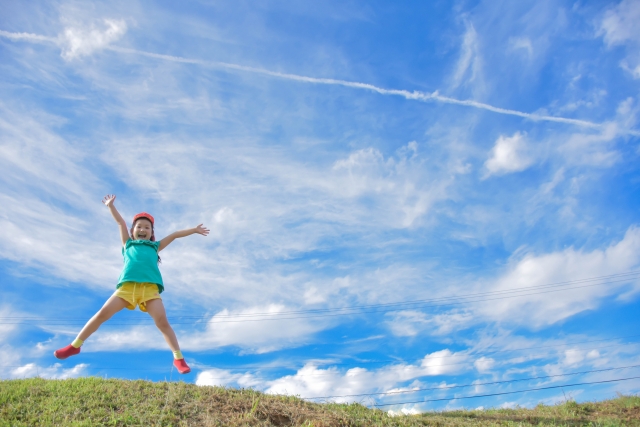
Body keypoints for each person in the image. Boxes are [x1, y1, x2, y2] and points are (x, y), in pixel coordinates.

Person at [53, 194, 209, 374]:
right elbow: (120, 223)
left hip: (149, 289)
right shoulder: (127, 244)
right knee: (102, 313)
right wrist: (111, 206)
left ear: (152, 232)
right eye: (139, 226)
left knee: (162, 322)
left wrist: (194, 230)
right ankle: (75, 345)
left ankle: (178, 358)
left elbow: (174, 235)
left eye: (147, 227)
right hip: (126, 288)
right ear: (133, 230)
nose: (143, 229)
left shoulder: (155, 246)